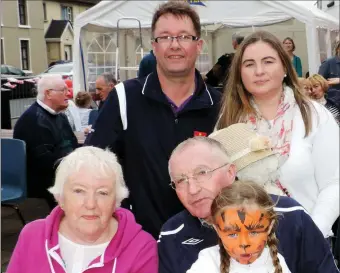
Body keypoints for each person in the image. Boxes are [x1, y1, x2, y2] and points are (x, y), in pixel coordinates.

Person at [85, 1, 221, 239]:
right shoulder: (124, 98)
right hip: (141, 241)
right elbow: (94, 165)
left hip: (210, 242)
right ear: (154, 47)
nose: (175, 45)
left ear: (199, 45)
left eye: (184, 37)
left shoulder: (219, 106)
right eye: (165, 37)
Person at [158, 136, 340, 273]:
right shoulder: (172, 234)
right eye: (181, 181)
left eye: (202, 173)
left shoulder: (289, 215)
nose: (193, 189)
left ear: (230, 172)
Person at [216, 30, 339, 238]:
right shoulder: (228, 122)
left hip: (306, 241)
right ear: (239, 73)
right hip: (245, 247)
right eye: (249, 64)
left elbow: (334, 183)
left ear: (284, 67)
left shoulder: (314, 116)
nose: (259, 71)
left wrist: (312, 234)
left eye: (268, 61)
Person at [2, 146, 158, 273]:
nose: (90, 204)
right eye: (79, 191)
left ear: (116, 201)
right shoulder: (32, 235)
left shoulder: (140, 247)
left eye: (102, 193)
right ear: (60, 198)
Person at [177, 181, 299, 273]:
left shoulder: (276, 261)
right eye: (232, 235)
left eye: (254, 232)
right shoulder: (210, 260)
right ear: (217, 229)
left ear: (269, 227)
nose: (244, 244)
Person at [13, 74, 78, 210]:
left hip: (65, 174)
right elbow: (45, 162)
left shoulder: (59, 115)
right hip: (46, 186)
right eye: (63, 90)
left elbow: (73, 143)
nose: (69, 93)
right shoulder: (33, 120)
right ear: (48, 93)